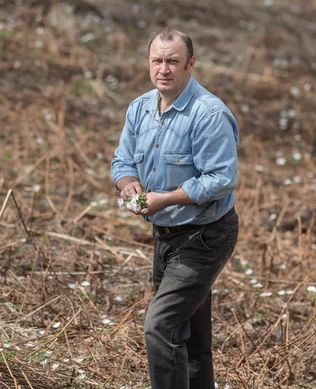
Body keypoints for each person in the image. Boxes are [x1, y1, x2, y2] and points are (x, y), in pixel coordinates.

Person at [110, 28, 240, 389]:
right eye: (157, 61)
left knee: (160, 326)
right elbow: (122, 161)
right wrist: (129, 185)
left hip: (205, 235)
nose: (163, 69)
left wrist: (164, 198)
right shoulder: (139, 109)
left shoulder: (209, 114)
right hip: (166, 236)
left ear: (190, 64)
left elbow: (221, 179)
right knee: (192, 338)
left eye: (172, 61)